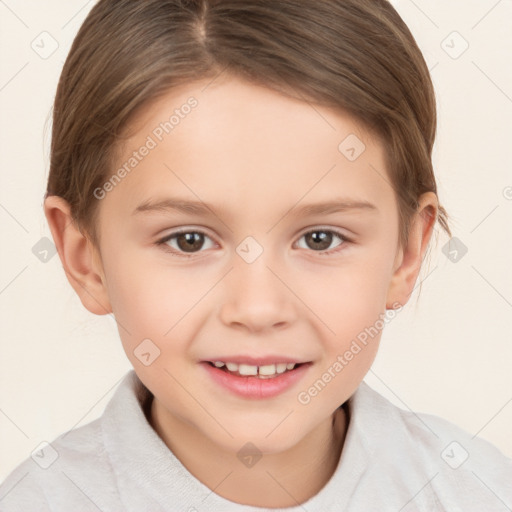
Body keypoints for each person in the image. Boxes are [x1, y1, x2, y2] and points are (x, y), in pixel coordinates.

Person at [0, 0, 510, 510]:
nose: (258, 308)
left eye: (320, 239)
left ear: (407, 253)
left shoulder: (479, 491)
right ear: (85, 258)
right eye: (189, 240)